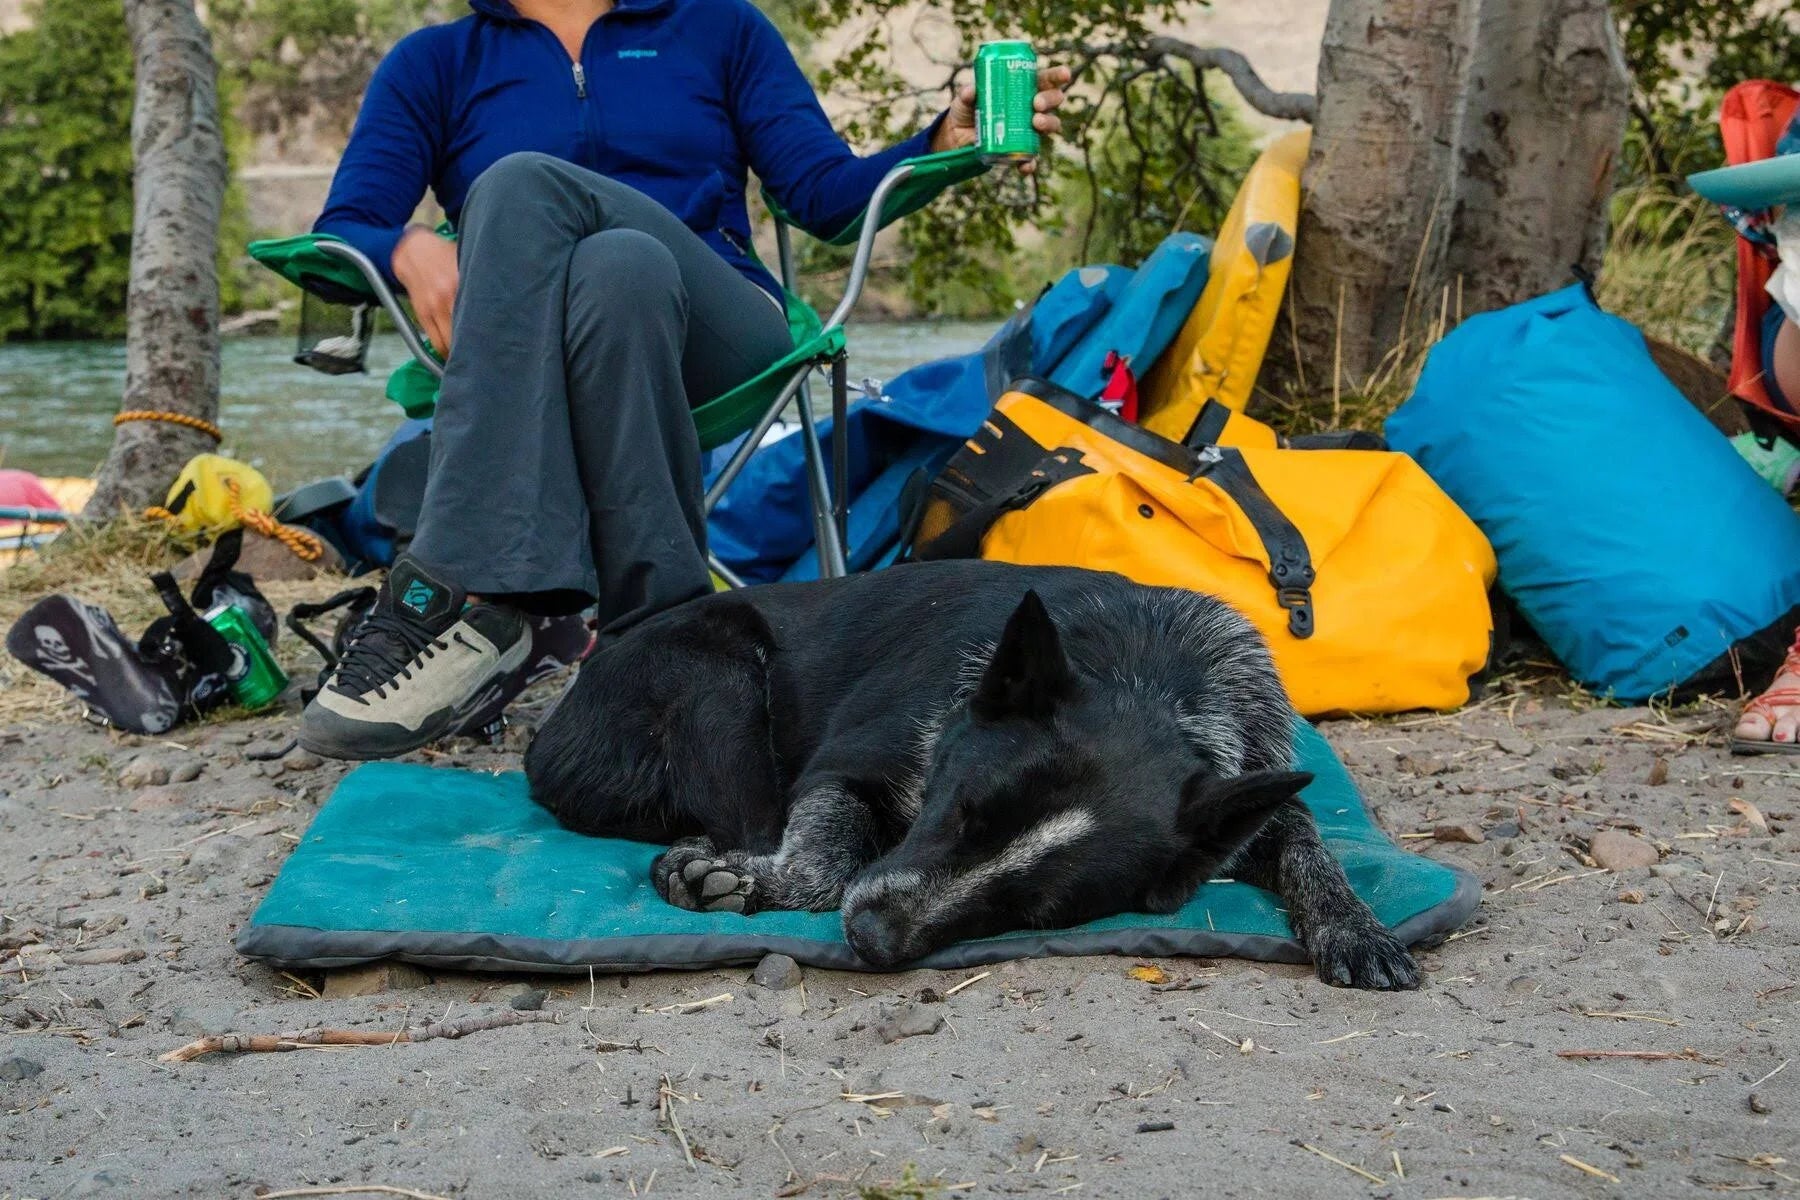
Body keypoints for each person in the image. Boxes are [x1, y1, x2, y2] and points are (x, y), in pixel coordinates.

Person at [295, 0, 1069, 760]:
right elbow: (343, 227)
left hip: (719, 332)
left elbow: (826, 195)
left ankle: (462, 591)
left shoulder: (718, 28)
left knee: (521, 183)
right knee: (618, 270)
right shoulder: (436, 62)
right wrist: (403, 244)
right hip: (527, 354)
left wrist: (941, 139)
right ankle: (656, 659)